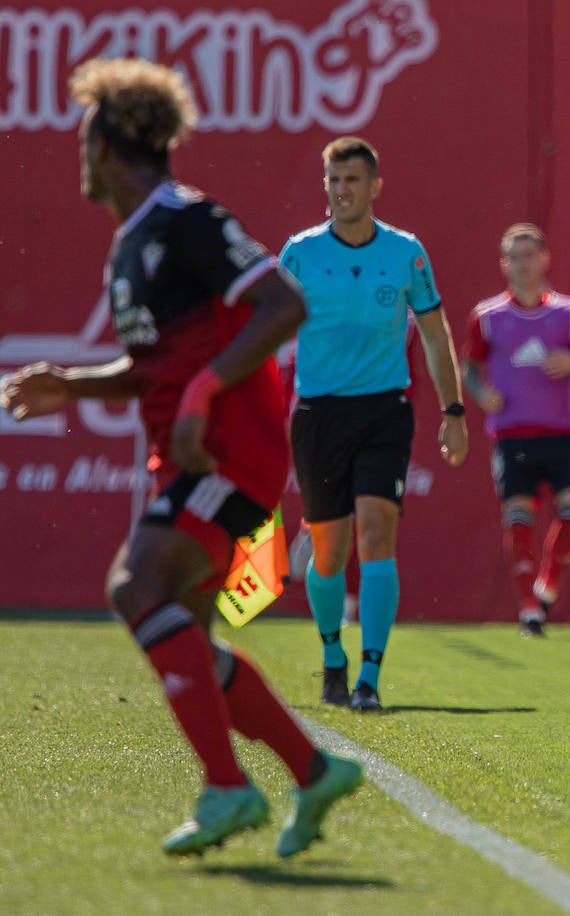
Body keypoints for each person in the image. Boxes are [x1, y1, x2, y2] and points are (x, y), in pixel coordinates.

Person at [0, 58, 361, 857]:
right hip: (190, 457)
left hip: (227, 454)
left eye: (83, 135)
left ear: (104, 144)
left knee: (136, 586)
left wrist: (204, 392)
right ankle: (313, 772)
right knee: (189, 637)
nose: (79, 151)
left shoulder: (185, 219)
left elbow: (284, 305)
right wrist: (73, 385)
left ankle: (228, 788)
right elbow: (158, 369)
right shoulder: (131, 244)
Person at [279, 136, 468, 713]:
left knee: (378, 533)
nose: (342, 191)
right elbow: (265, 332)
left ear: (375, 186)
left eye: (353, 180)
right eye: (334, 180)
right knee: (329, 553)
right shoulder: (300, 253)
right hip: (319, 414)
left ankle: (370, 677)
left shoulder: (405, 252)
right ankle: (333, 657)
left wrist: (454, 411)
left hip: (384, 410)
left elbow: (434, 334)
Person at [462, 224, 570, 636]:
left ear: (545, 260)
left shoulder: (569, 314)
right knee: (518, 517)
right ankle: (529, 610)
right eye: (514, 257)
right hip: (511, 435)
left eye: (530, 256)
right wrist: (482, 394)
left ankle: (547, 586)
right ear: (503, 264)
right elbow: (470, 369)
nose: (523, 265)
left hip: (560, 432)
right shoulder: (487, 316)